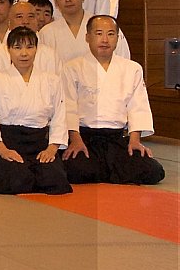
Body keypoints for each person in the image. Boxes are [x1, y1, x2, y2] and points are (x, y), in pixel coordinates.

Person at [60, 15, 163, 186]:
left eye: (110, 34)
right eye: (99, 33)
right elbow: (68, 106)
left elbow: (138, 107)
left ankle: (105, 169)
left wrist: (135, 140)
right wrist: (75, 139)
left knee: (153, 171)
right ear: (88, 37)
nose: (105, 40)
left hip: (116, 139)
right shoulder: (72, 68)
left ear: (117, 38)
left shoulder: (132, 69)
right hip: (85, 138)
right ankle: (108, 170)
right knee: (74, 170)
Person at [0, 27, 70, 195]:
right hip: (8, 141)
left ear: (37, 49)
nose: (24, 53)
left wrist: (52, 148)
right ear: (8, 50)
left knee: (55, 180)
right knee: (17, 179)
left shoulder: (52, 80)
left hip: (38, 142)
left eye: (29, 47)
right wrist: (2, 149)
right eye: (17, 47)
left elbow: (59, 116)